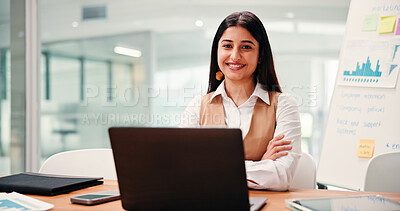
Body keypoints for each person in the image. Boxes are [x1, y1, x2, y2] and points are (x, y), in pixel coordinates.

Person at [180, 11, 301, 191]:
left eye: (246, 47)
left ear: (260, 55)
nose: (235, 56)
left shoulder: (283, 105)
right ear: (217, 52)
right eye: (227, 46)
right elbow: (183, 169)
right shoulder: (197, 107)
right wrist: (262, 164)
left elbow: (281, 176)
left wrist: (211, 168)